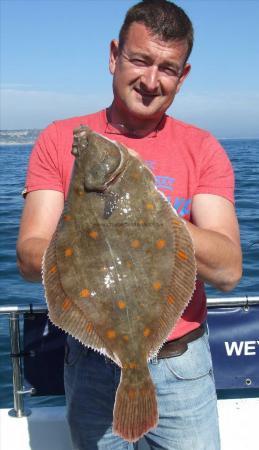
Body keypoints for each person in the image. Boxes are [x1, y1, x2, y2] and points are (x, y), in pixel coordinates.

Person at [17, 1, 242, 449]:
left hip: (182, 366)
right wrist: (88, 243)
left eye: (168, 67)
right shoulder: (58, 139)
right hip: (91, 362)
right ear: (114, 55)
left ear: (184, 75)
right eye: (139, 60)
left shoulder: (203, 149)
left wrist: (150, 212)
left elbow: (229, 271)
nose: (151, 79)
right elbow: (28, 254)